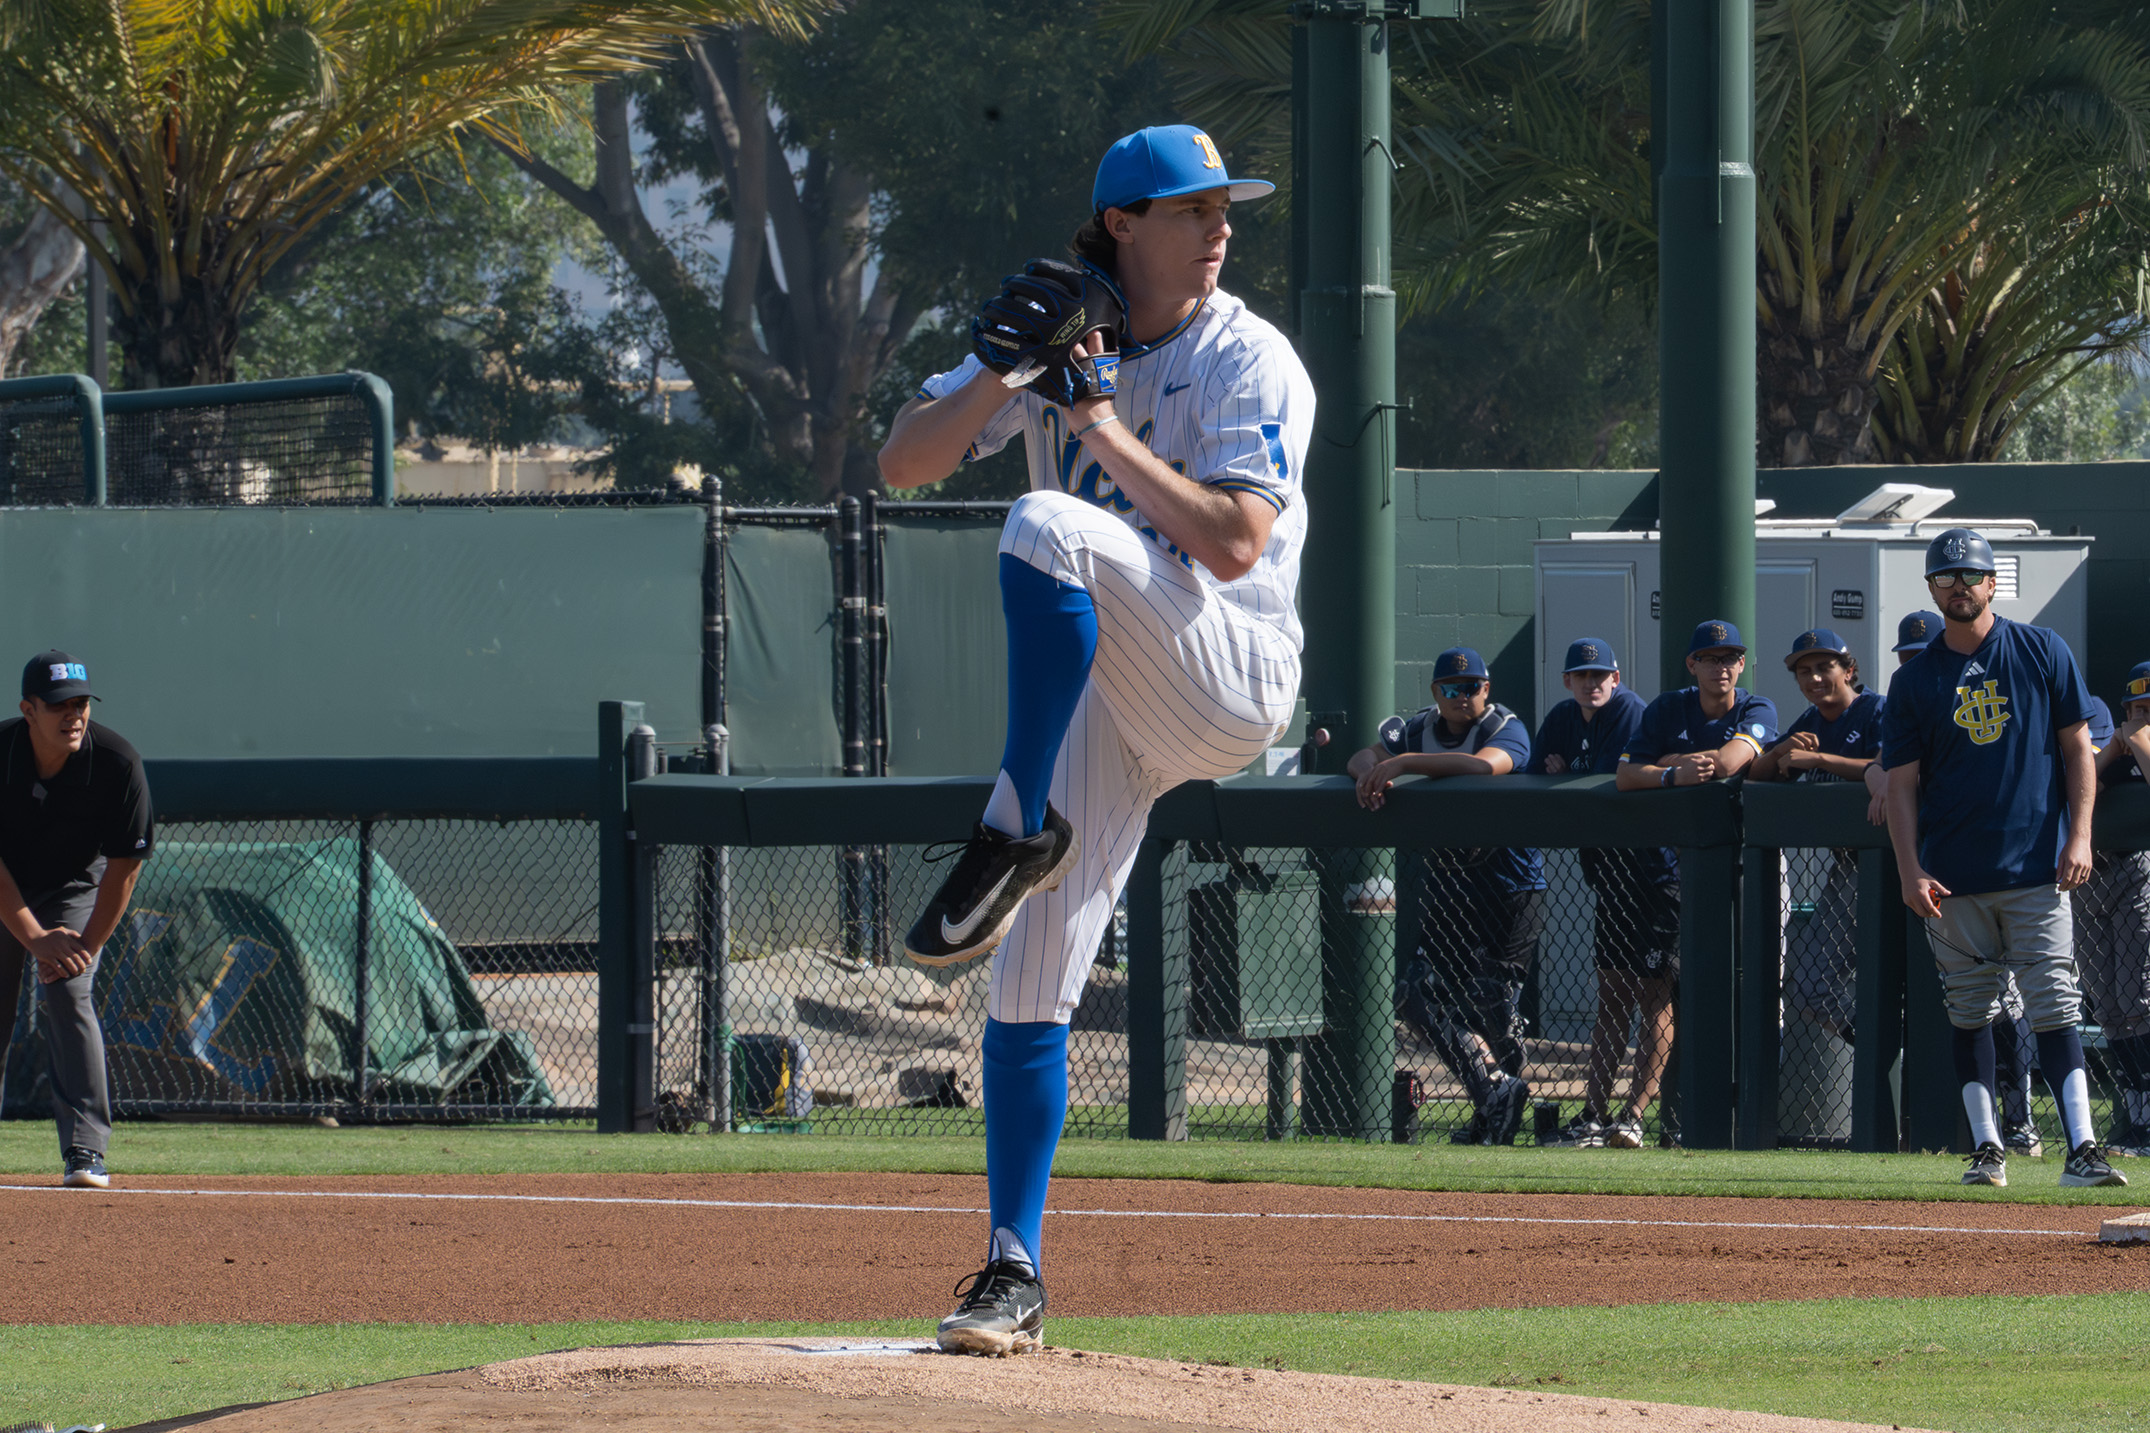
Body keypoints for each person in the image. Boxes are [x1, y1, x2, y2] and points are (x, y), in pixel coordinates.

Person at [877, 124, 1310, 1355]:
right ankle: (1011, 1268)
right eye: (1190, 208)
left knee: (1045, 519)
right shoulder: (1062, 329)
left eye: (1226, 206)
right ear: (1121, 222)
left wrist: (1099, 424)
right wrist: (997, 373)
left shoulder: (1248, 356)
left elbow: (1231, 544)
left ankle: (1011, 829)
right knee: (1023, 983)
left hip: (1229, 668)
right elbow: (901, 461)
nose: (1219, 226)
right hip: (1113, 697)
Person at [1879, 527, 2125, 1188]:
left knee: (2054, 1004)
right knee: (1970, 1009)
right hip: (1951, 875)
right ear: (1932, 588)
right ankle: (1988, 1147)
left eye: (1971, 574)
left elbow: (2080, 749)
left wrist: (2080, 835)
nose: (1959, 584)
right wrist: (1909, 868)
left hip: (2036, 867)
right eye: (1946, 575)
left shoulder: (2042, 648)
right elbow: (1900, 786)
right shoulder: (1915, 680)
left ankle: (2081, 1148)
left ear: (1992, 583)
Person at [1348, 646, 1544, 1146]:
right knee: (1418, 993)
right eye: (1451, 689)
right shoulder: (1418, 728)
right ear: (1436, 693)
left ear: (1487, 688)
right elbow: (1361, 756)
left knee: (1493, 1005)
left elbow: (1484, 767)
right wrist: (1372, 773)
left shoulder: (1506, 727)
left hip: (1509, 885)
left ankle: (1499, 1102)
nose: (1463, 697)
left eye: (1472, 686)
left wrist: (1405, 764)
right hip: (1452, 885)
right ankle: (1494, 1095)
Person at [1613, 619, 1779, 1146]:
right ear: (1693, 664)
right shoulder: (1666, 708)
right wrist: (1668, 774)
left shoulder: (1757, 707)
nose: (1722, 666)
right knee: (1672, 996)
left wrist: (1669, 764)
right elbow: (1624, 775)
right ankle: (1660, 1120)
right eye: (1711, 657)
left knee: (1754, 992)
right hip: (1676, 878)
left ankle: (1755, 1120)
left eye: (1731, 657)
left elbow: (1729, 763)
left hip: (1751, 875)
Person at [0, 651, 154, 1190]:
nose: (74, 715)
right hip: (6, 885)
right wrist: (34, 936)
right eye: (60, 705)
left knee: (69, 990)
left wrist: (78, 950)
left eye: (82, 703)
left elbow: (123, 872)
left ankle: (85, 1149)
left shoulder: (117, 762)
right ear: (28, 709)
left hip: (74, 886)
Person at [1525, 638, 1680, 1150]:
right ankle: (1593, 1113)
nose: (1592, 684)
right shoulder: (1563, 718)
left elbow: (1618, 780)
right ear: (1568, 681)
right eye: (1581, 676)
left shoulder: (1631, 711)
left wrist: (1567, 773)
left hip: (1656, 875)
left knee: (1654, 995)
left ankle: (1634, 1115)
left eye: (1600, 675)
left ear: (1616, 677)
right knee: (1612, 994)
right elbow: (1534, 776)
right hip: (1609, 877)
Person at [1750, 630, 1883, 1047]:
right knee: (1807, 985)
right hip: (1848, 869)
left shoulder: (1878, 709)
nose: (1814, 679)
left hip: (1897, 863)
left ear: (1848, 669)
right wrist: (1779, 751)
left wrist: (1819, 759)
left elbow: (1889, 769)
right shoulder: (1808, 722)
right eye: (1804, 672)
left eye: (1825, 667)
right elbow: (1756, 778)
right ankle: (1885, 1041)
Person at [2078, 665, 2150, 1157]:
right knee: (2108, 1007)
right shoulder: (2113, 751)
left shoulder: (2141, 750)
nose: (2139, 719)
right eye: (2134, 710)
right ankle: (2135, 1116)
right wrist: (2112, 752)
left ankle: (2146, 1122)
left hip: (2135, 873)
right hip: (2090, 880)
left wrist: (2140, 743)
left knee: (2137, 998)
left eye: (2149, 711)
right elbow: (2079, 789)